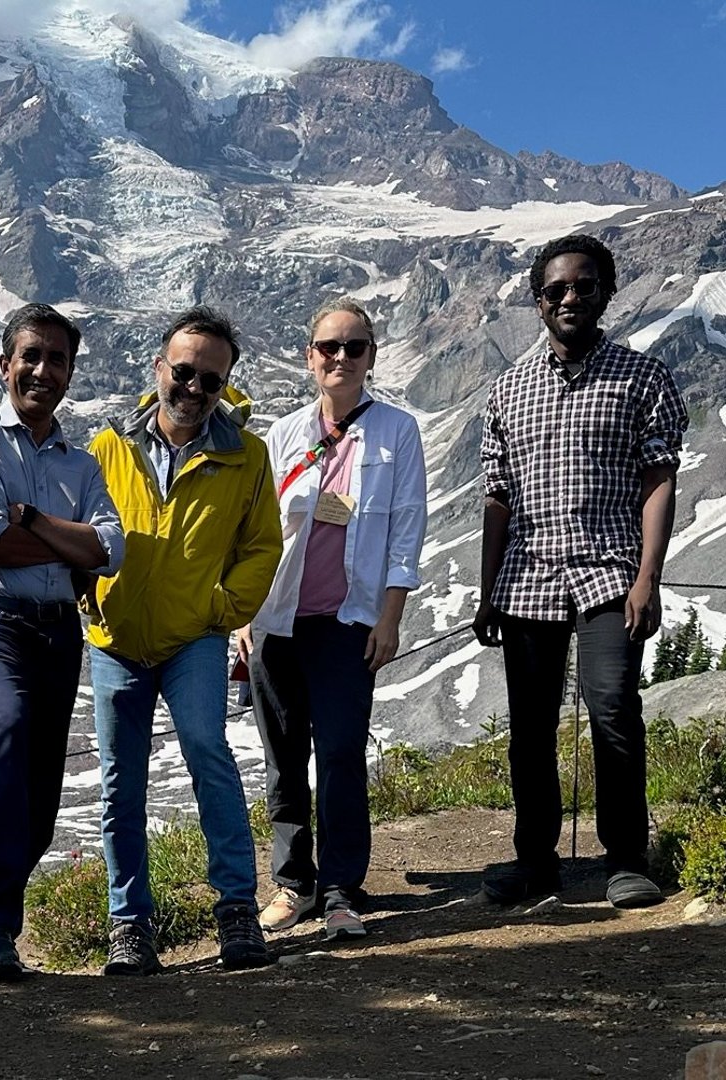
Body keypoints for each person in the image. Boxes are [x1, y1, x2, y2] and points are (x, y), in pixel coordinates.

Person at [473, 234, 686, 910]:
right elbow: (497, 496)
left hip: (609, 572)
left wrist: (648, 577)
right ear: (538, 302)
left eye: (585, 286)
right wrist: (487, 593)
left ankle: (627, 856)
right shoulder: (508, 392)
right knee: (530, 727)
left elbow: (659, 477)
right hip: (526, 578)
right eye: (557, 289)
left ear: (606, 292)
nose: (571, 297)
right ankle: (535, 860)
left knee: (614, 705)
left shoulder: (641, 377)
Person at [85, 306, 283, 975]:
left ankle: (236, 911)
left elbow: (262, 547)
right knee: (121, 785)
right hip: (115, 641)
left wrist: (220, 608)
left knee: (207, 752)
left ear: (225, 385)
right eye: (184, 371)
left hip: (192, 637)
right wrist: (89, 601)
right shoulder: (109, 446)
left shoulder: (245, 457)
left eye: (211, 378)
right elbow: (77, 530)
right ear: (159, 369)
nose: (194, 388)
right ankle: (130, 925)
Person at [0, 303, 125, 980]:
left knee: (42, 793)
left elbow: (110, 550)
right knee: (5, 725)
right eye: (32, 356)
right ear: (5, 364)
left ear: (71, 373)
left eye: (58, 360)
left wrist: (31, 520)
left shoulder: (81, 463)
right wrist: (63, 542)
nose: (43, 370)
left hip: (57, 632)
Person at [239, 297, 427, 942]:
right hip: (278, 619)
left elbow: (407, 530)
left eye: (354, 347)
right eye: (328, 348)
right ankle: (293, 885)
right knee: (283, 755)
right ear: (309, 357)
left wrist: (390, 617)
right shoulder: (285, 434)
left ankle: (344, 887)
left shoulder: (397, 431)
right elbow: (255, 533)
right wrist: (244, 615)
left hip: (348, 619)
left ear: (371, 355)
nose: (340, 358)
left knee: (342, 752)